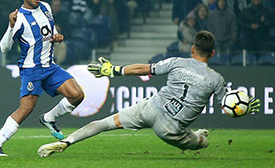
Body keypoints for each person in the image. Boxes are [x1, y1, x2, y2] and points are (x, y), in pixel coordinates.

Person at [37, 30, 260, 158]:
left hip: (150, 108)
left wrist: (114, 70)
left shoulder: (177, 62)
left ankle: (67, 142)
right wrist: (242, 109)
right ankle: (198, 135)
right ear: (213, 53)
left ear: (193, 50)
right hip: (171, 129)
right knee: (203, 143)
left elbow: (145, 69)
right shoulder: (216, 79)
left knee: (103, 123)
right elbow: (227, 107)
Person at [0, 0, 84, 157]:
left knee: (77, 95)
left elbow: (49, 30)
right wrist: (10, 26)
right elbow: (3, 48)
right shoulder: (20, 18)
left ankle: (49, 118)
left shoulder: (46, 7)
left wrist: (56, 35)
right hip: (32, 69)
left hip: (50, 66)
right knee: (26, 108)